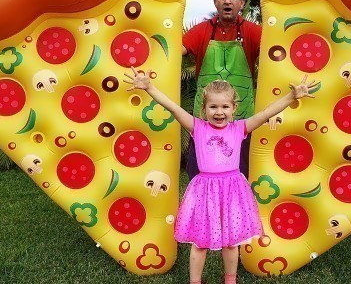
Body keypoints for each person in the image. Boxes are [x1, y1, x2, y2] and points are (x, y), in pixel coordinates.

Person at [123, 67, 318, 284]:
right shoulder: (197, 127)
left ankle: (230, 279)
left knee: (231, 242)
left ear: (234, 108)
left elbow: (266, 114)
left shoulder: (239, 128)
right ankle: (195, 281)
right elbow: (173, 108)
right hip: (204, 190)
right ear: (204, 109)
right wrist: (149, 88)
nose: (219, 112)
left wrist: (291, 96)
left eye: (225, 106)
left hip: (232, 191)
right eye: (213, 106)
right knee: (200, 242)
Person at [182, 0, 262, 181]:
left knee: (239, 174)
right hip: (205, 122)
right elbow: (172, 53)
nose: (228, 1)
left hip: (239, 120)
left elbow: (278, 53)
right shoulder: (202, 31)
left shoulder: (252, 32)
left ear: (241, 3)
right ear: (215, 1)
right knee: (199, 173)